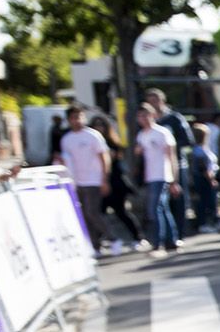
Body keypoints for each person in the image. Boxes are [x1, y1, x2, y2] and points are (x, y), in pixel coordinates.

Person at [56, 106, 111, 254]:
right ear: (68, 120)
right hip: (77, 181)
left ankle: (113, 237)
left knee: (92, 212)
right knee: (84, 215)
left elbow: (104, 157)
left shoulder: (93, 135)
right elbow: (67, 161)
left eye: (80, 116)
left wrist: (104, 179)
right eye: (74, 117)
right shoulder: (66, 139)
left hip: (94, 179)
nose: (78, 120)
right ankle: (95, 245)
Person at [90, 115, 148, 251]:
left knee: (121, 212)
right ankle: (98, 242)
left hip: (115, 184)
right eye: (96, 125)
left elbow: (109, 160)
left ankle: (138, 237)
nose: (99, 128)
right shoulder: (91, 142)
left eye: (101, 125)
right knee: (97, 213)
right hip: (98, 183)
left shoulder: (112, 144)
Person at [145, 88, 194, 237]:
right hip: (156, 168)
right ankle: (166, 236)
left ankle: (180, 232)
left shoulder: (174, 118)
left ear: (162, 101)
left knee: (177, 198)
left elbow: (187, 140)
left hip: (175, 164)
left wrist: (168, 145)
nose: (153, 104)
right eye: (150, 102)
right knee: (161, 203)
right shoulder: (148, 124)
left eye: (156, 101)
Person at [134, 103, 182, 256]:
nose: (143, 119)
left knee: (154, 209)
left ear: (153, 115)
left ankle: (158, 243)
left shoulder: (162, 133)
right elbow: (139, 154)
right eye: (140, 116)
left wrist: (174, 179)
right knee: (162, 208)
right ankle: (172, 240)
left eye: (146, 115)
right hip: (149, 176)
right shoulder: (141, 135)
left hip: (162, 175)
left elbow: (172, 156)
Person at [188, 124, 220, 233]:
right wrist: (211, 179)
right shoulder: (199, 151)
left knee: (205, 201)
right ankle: (204, 223)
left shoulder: (200, 149)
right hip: (203, 179)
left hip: (202, 178)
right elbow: (203, 168)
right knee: (205, 202)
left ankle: (208, 222)